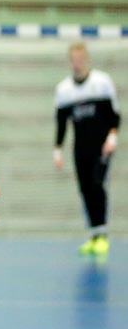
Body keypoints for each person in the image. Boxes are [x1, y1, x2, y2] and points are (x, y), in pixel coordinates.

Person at [54, 42, 118, 256]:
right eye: (74, 59)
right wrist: (58, 150)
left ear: (86, 59)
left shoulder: (102, 83)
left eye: (81, 58)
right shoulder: (64, 90)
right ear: (70, 61)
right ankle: (93, 235)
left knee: (97, 185)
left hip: (101, 147)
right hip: (80, 148)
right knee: (85, 190)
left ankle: (103, 235)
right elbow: (61, 123)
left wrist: (112, 138)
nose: (78, 63)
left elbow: (114, 116)